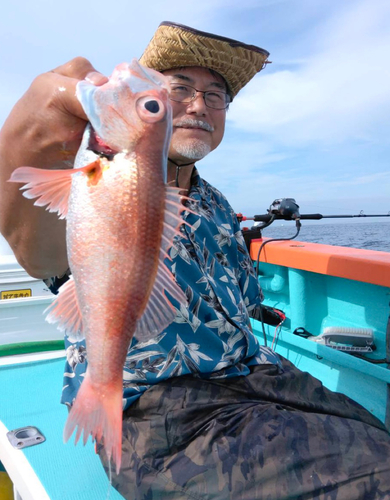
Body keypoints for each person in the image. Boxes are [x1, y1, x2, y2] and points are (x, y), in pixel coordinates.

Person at [1, 20, 390, 500]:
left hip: (250, 373)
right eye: (177, 89)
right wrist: (52, 103)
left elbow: (245, 302)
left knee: (373, 430)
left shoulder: (219, 206)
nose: (199, 105)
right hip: (158, 412)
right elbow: (35, 247)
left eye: (216, 95)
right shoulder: (94, 181)